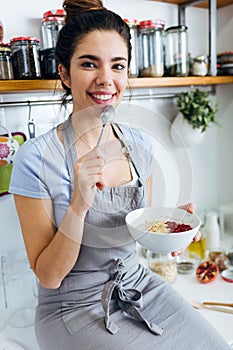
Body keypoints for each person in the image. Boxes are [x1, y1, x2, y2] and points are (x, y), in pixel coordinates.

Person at [9, 1, 230, 349]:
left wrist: (172, 231)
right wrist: (79, 206)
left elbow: (144, 229)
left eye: (118, 65)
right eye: (88, 64)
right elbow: (49, 276)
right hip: (71, 309)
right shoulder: (35, 159)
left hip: (138, 287)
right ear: (64, 73)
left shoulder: (140, 144)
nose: (106, 79)